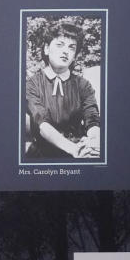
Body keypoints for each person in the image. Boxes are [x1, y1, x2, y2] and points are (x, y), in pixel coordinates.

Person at [25, 20, 101, 160]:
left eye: (72, 47)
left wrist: (94, 141)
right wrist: (73, 149)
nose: (66, 51)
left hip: (80, 152)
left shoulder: (83, 85)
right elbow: (42, 124)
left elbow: (92, 118)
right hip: (42, 157)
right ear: (46, 49)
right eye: (60, 45)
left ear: (74, 57)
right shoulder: (32, 84)